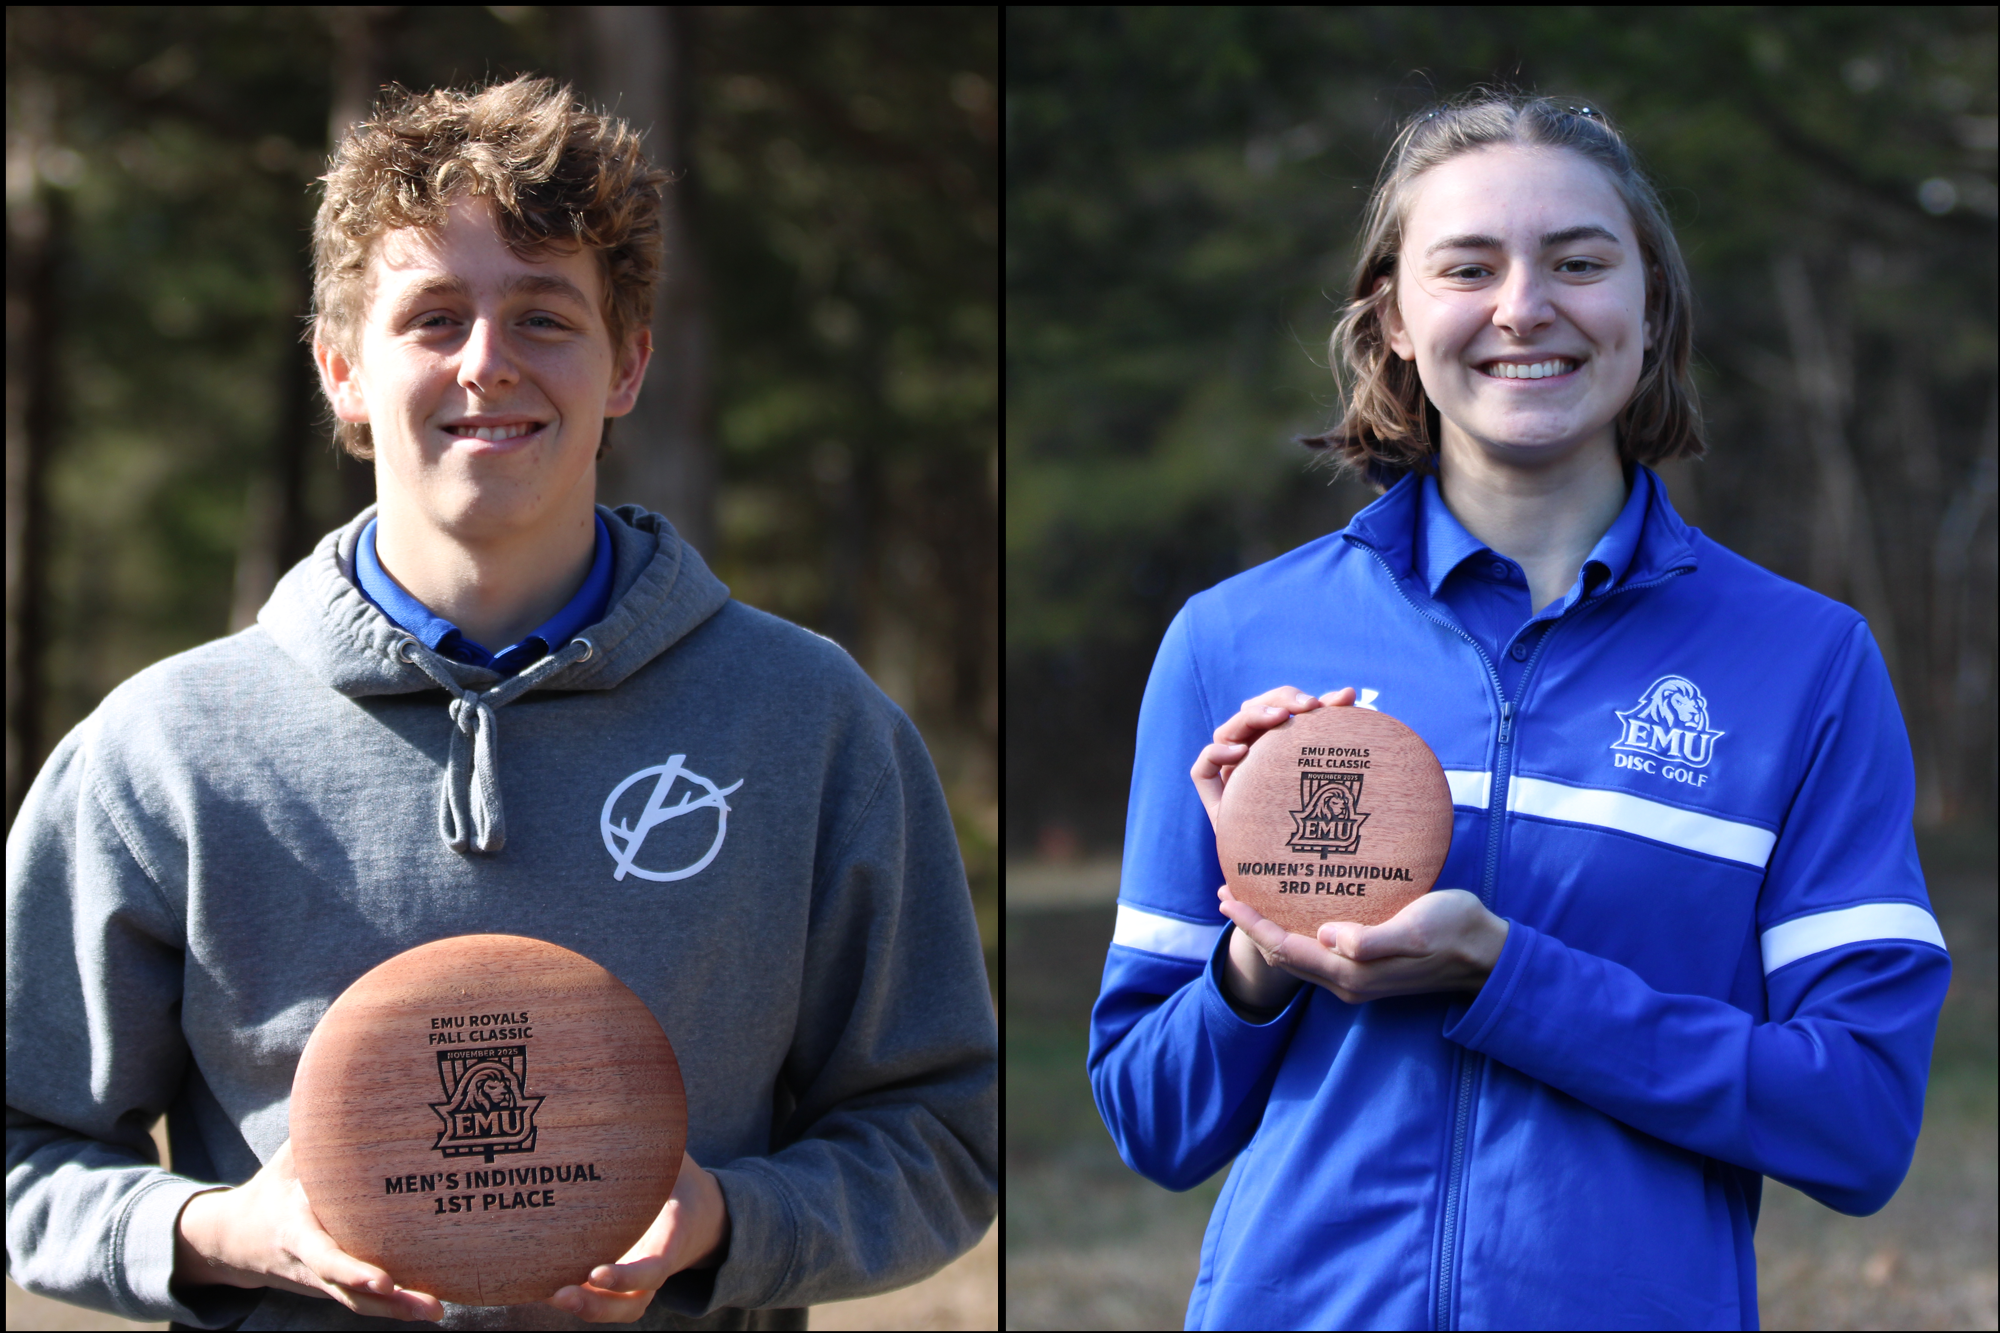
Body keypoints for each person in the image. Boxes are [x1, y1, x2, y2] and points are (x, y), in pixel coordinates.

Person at [6, 75, 996, 1330]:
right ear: (340, 370)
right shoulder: (162, 750)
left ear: (628, 363)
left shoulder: (810, 722)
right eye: (431, 317)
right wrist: (221, 1229)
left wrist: (730, 1224)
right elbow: (21, 1148)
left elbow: (943, 1139)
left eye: (543, 315)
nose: (488, 363)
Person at [1090, 90, 1949, 1331]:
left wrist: (1507, 975)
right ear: (1391, 315)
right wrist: (1259, 956)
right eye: (1467, 266)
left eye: (1578, 262)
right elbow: (1148, 1119)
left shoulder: (1804, 662)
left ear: (1646, 307)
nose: (1522, 307)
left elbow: (1858, 1120)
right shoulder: (1232, 641)